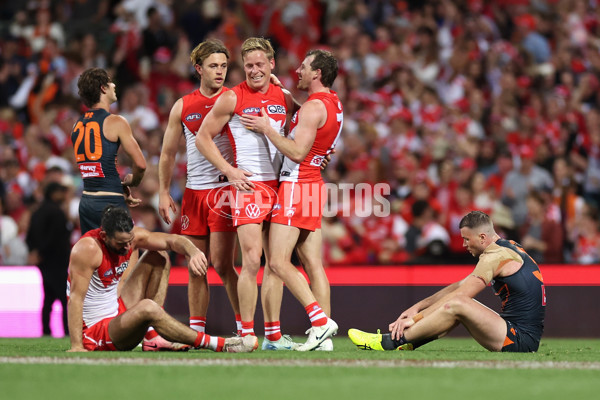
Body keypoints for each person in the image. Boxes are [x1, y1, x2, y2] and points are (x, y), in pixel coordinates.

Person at [240, 49, 342, 351]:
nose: (298, 70)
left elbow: (297, 152)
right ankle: (322, 339)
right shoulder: (331, 103)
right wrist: (282, 91)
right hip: (313, 186)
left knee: (277, 261)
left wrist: (267, 128)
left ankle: (321, 322)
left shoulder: (312, 107)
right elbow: (307, 120)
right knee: (314, 264)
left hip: (296, 184)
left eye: (304, 67)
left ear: (317, 74)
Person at [195, 37, 295, 340]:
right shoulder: (232, 98)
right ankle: (247, 334)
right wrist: (229, 171)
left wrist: (321, 151)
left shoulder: (285, 96)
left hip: (279, 186)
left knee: (276, 265)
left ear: (271, 64)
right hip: (249, 187)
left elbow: (306, 124)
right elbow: (202, 138)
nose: (253, 71)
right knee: (252, 260)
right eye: (248, 65)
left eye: (259, 65)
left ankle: (274, 337)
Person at [66, 206, 258, 353]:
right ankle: (219, 344)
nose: (127, 248)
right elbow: (75, 298)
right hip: (95, 333)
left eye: (129, 241)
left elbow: (171, 240)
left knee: (159, 256)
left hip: (116, 311)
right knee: (148, 307)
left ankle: (152, 337)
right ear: (104, 236)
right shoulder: (88, 250)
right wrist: (76, 345)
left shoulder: (131, 238)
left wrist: (193, 251)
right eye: (121, 244)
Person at [348, 210, 546, 352]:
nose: (464, 244)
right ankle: (408, 343)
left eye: (467, 239)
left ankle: (390, 341)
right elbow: (461, 285)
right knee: (460, 303)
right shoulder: (507, 247)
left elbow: (461, 296)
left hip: (519, 339)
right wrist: (417, 308)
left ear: (483, 237)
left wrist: (415, 320)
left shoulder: (494, 256)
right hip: (516, 331)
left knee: (459, 303)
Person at [158, 39, 241, 335]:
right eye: (213, 66)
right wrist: (164, 191)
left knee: (221, 264)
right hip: (194, 194)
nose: (219, 72)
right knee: (196, 265)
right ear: (198, 69)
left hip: (224, 193)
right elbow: (168, 153)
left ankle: (244, 329)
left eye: (223, 66)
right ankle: (197, 333)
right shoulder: (183, 105)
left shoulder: (235, 98)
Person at [72, 67, 147, 234]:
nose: (114, 85)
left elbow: (94, 165)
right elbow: (141, 164)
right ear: (103, 88)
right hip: (109, 201)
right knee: (126, 252)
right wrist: (132, 181)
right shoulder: (116, 121)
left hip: (86, 201)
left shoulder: (76, 124)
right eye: (110, 82)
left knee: (94, 256)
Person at [26, 182, 72, 336]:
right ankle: (67, 331)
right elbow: (55, 238)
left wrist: (35, 252)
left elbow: (29, 237)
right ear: (53, 193)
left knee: (48, 299)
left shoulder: (37, 211)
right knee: (64, 299)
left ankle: (46, 330)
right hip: (56, 262)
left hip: (44, 262)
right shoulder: (56, 212)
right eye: (61, 192)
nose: (64, 196)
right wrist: (41, 251)